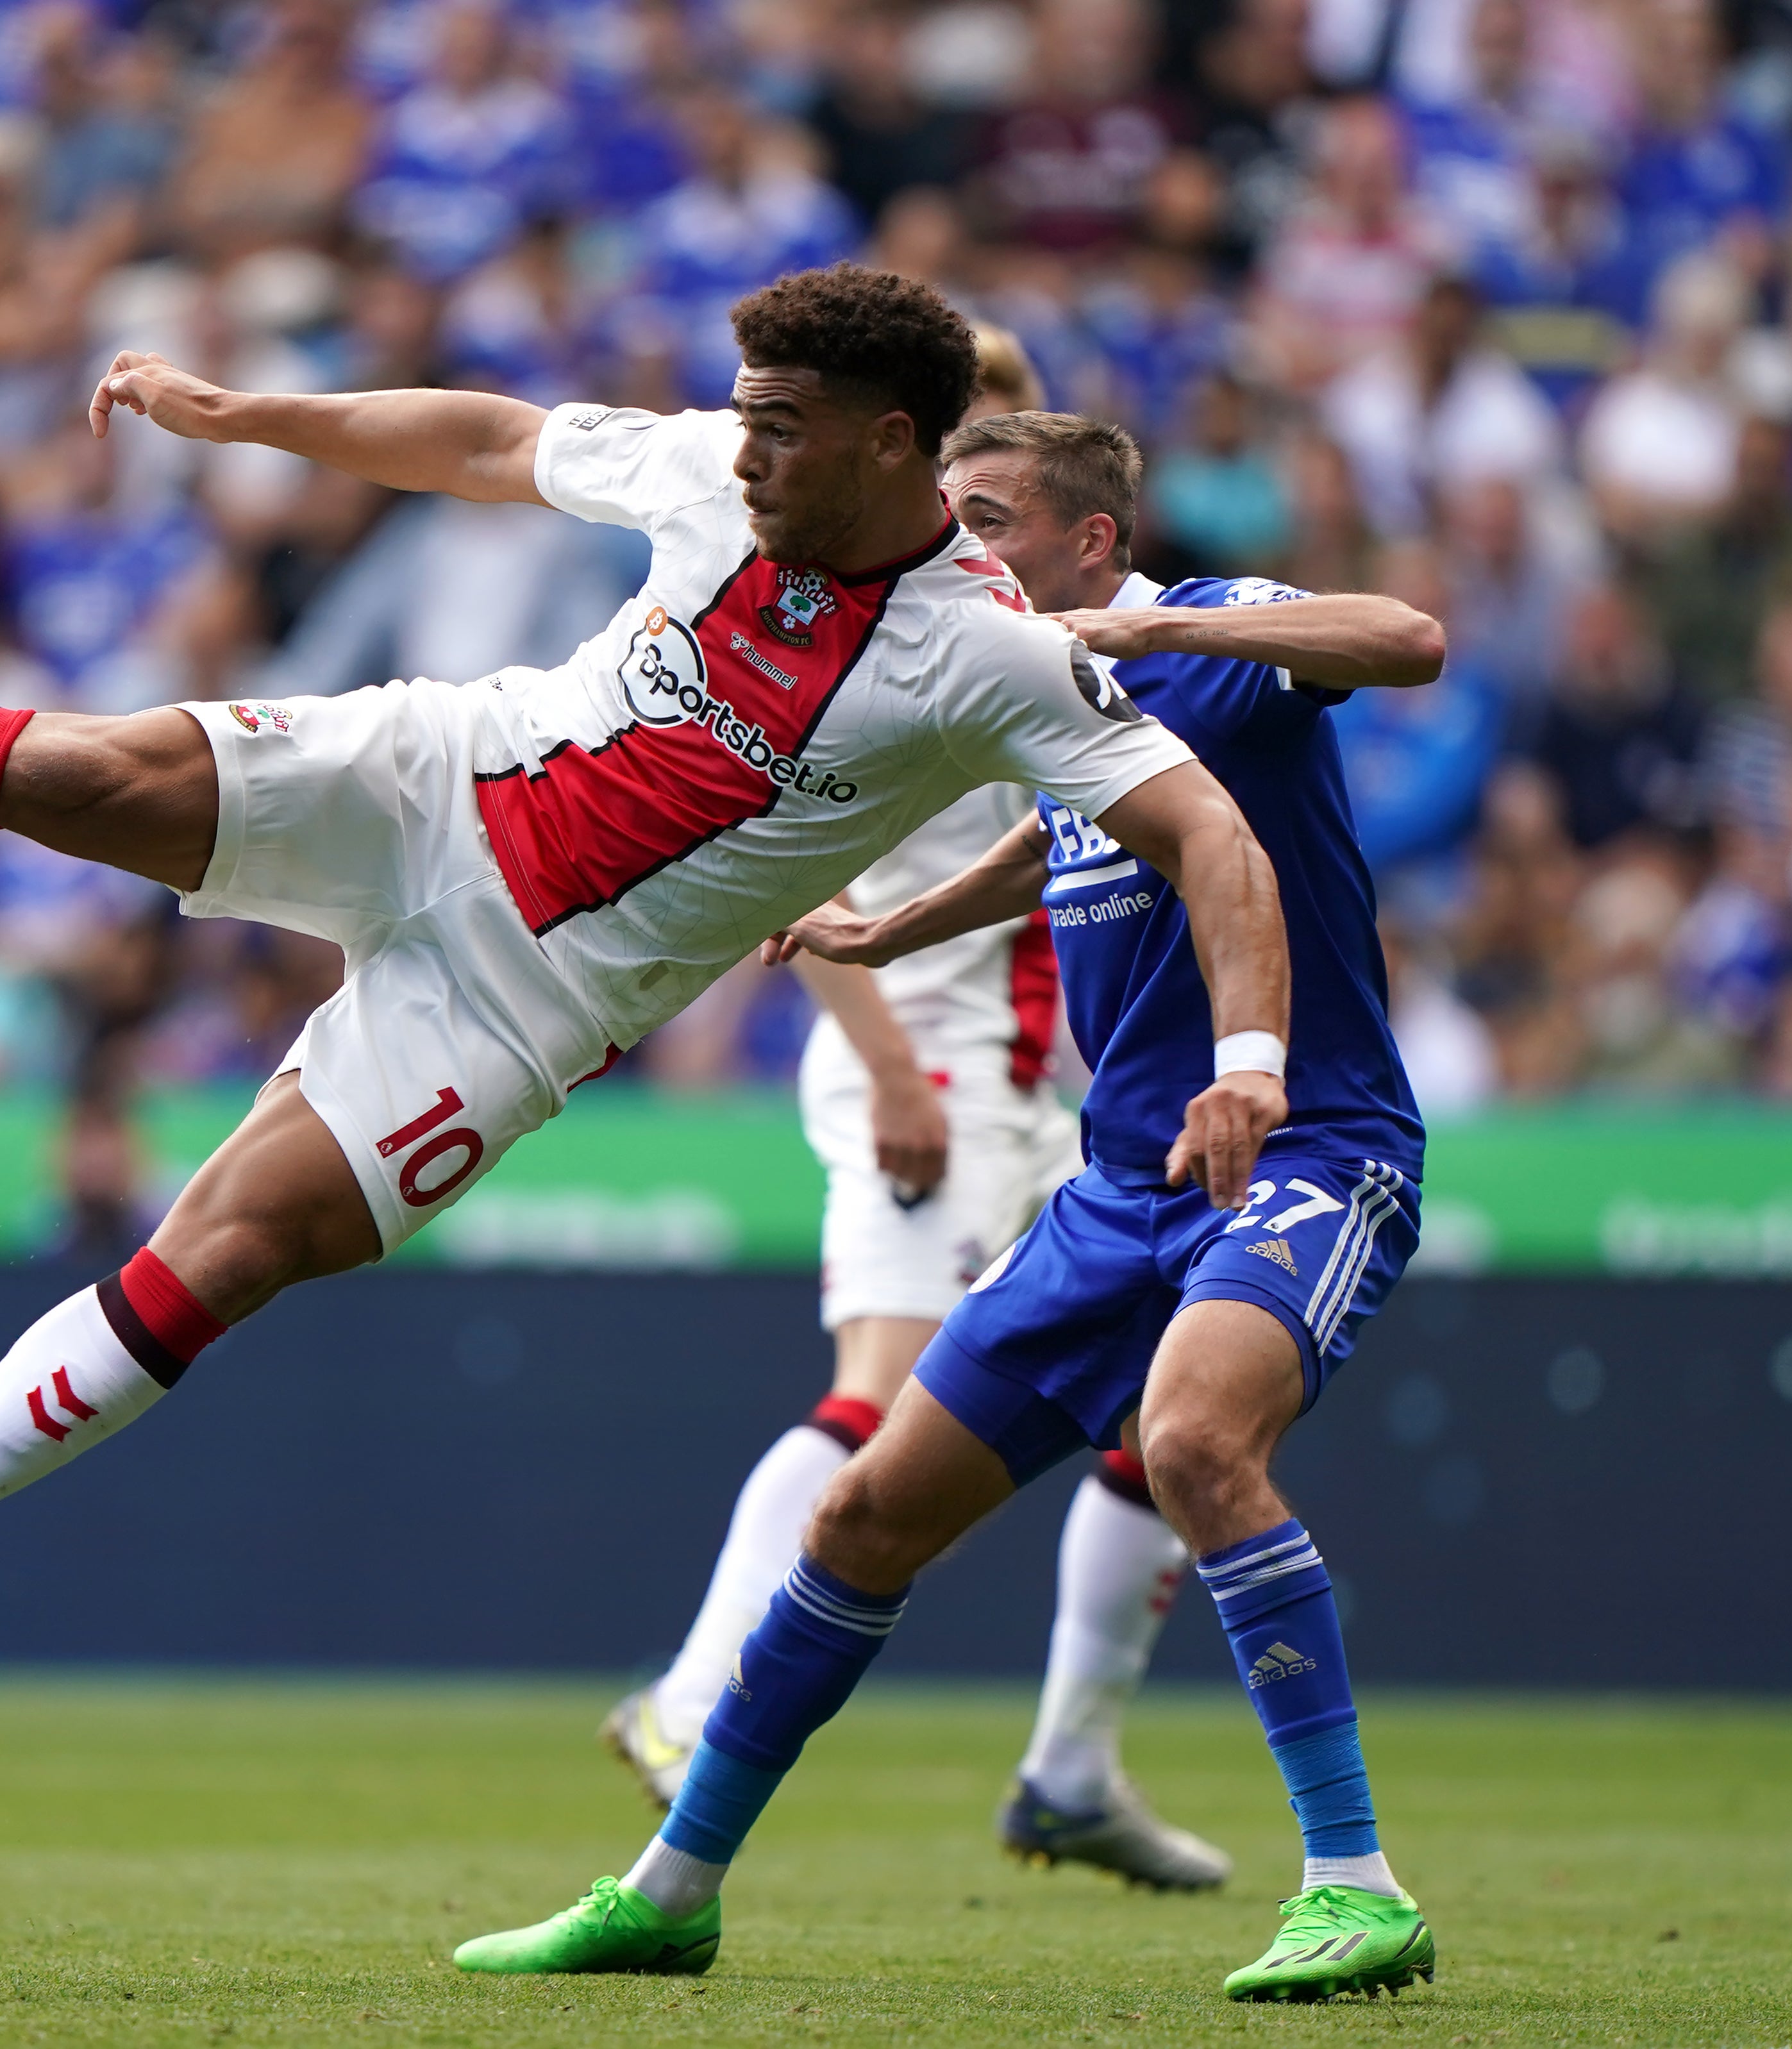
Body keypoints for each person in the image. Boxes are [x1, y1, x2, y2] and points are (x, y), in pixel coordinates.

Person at [0, 267, 1285, 1902]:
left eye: (781, 431)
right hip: (427, 779)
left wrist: (1253, 1060)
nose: (741, 456)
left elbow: (1208, 830)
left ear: (893, 445)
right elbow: (489, 435)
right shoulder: (703, 476)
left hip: (512, 1012)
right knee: (78, 769)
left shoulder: (990, 656)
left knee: (223, 1258)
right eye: (740, 418)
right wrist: (249, 417)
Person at [460, 408, 1441, 2002]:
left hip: (1309, 1151)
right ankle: (668, 1891)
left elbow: (1407, 636)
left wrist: (1153, 623)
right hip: (1118, 1186)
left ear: (1092, 542)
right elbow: (1064, 840)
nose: (965, 547)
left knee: (1193, 1441)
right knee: (862, 1518)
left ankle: (1354, 1882)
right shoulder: (1040, 698)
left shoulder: (1199, 635)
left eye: (990, 518)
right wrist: (900, 926)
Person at [603, 330, 1227, 1896]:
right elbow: (790, 860)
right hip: (922, 1061)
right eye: (964, 449)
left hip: (1025, 1080)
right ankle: (691, 1699)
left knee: (1170, 1399)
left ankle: (1074, 1765)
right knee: (880, 1395)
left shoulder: (1013, 621)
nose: (976, 484)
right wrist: (886, 1065)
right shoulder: (852, 618)